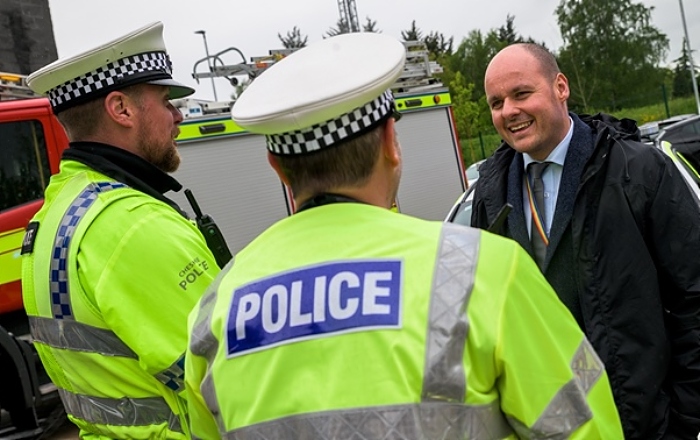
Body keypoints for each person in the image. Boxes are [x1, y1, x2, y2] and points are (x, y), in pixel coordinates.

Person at [185, 32, 623, 439]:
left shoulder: (216, 308)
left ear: (278, 169)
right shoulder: (483, 271)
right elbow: (583, 425)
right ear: (391, 142)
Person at [471, 42, 700, 439]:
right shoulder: (489, 195)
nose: (509, 111)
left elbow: (693, 300)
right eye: (496, 102)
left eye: (522, 93)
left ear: (561, 87)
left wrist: (682, 423)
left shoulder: (639, 172)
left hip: (642, 426)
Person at [20, 22, 221, 439]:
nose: (179, 116)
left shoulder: (53, 217)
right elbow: (230, 376)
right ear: (121, 109)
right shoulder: (136, 225)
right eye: (167, 101)